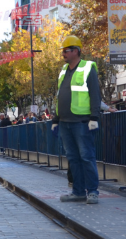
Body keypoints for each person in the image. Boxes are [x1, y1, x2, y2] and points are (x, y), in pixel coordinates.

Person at [51, 36, 101, 205]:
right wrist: (55, 120)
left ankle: (93, 192)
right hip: (65, 122)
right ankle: (78, 192)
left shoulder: (88, 68)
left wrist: (94, 117)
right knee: (73, 159)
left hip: (81, 122)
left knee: (87, 157)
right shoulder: (64, 70)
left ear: (76, 51)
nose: (63, 53)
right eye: (63, 51)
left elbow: (95, 94)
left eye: (66, 50)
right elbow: (59, 97)